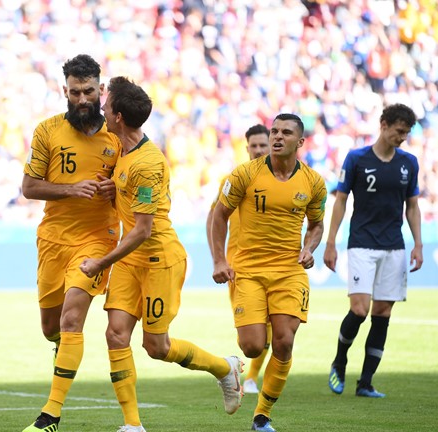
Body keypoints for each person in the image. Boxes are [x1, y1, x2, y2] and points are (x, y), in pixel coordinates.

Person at [80, 76, 244, 432]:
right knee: (115, 334)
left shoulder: (148, 163)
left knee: (157, 346)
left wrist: (99, 264)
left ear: (119, 117)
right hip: (130, 260)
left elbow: (143, 229)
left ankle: (223, 367)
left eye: (106, 107)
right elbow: (127, 192)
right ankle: (132, 425)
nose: (102, 111)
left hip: (158, 260)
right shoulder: (122, 147)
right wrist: (113, 188)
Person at [21, 54, 122, 432]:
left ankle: (50, 416)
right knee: (52, 328)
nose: (82, 99)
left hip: (97, 239)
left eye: (89, 91)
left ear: (101, 90)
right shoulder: (46, 131)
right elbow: (29, 187)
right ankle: (61, 350)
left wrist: (117, 188)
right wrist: (70, 189)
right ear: (65, 91)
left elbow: (136, 184)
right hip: (53, 239)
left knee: (72, 319)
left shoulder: (118, 135)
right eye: (75, 92)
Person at [210, 113, 327, 432]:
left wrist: (309, 248)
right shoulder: (245, 174)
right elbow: (219, 217)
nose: (277, 137)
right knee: (251, 345)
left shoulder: (314, 182)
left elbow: (316, 224)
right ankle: (234, 369)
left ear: (299, 142)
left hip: (289, 270)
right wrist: (220, 260)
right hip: (248, 269)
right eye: (274, 131)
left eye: (285, 133)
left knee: (285, 342)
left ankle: (262, 416)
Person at [323, 103, 423, 398]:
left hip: (394, 246)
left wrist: (418, 243)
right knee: (359, 309)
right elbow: (340, 201)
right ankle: (339, 361)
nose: (402, 137)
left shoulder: (409, 163)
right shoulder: (356, 159)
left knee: (382, 312)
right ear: (384, 125)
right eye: (399, 131)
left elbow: (413, 206)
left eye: (406, 133)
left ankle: (365, 382)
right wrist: (331, 242)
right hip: (362, 243)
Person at [205, 124, 271, 395]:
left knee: (276, 327)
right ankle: (239, 369)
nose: (258, 150)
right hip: (240, 267)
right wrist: (218, 260)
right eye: (253, 146)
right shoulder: (233, 180)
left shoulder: (285, 181)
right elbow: (213, 219)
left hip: (276, 265)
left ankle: (253, 377)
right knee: (253, 336)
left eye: (262, 145)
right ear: (247, 149)